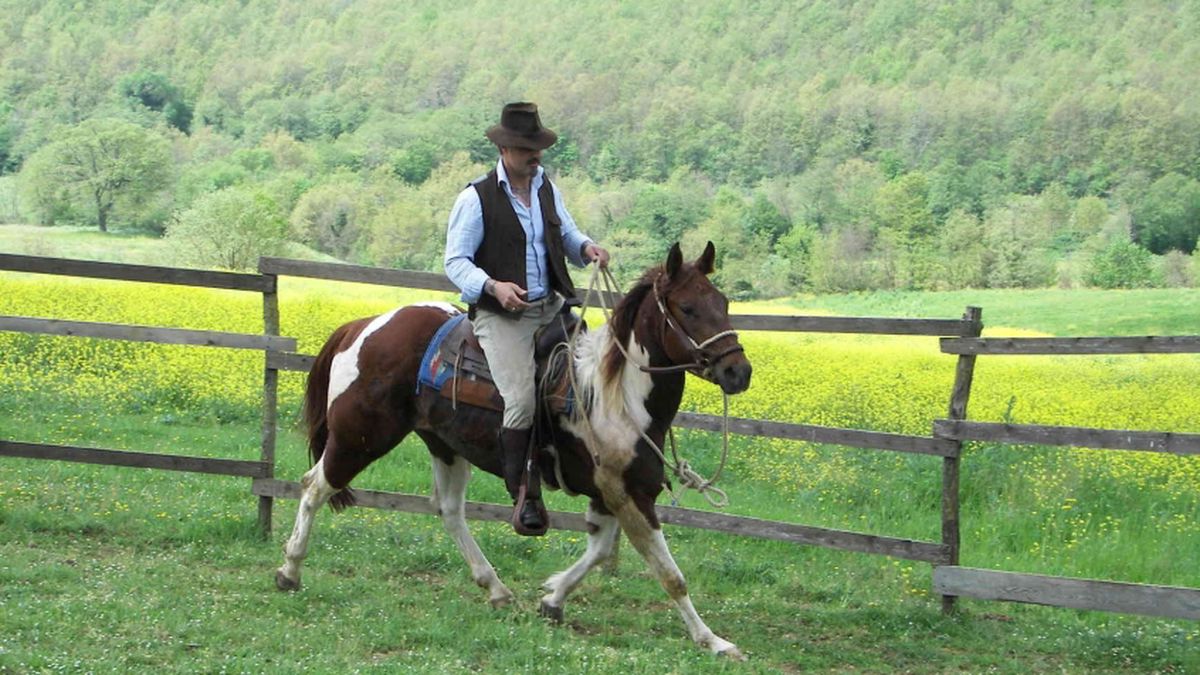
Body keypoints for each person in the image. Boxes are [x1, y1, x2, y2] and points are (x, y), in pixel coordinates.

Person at [444, 102, 609, 536]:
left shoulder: (545, 187)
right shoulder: (475, 199)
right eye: (524, 147)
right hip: (502, 318)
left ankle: (594, 470)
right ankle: (524, 493)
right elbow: (455, 262)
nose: (534, 155)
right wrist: (493, 287)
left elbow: (566, 234)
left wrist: (587, 248)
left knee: (593, 378)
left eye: (536, 146)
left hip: (551, 307)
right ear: (503, 149)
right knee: (520, 401)